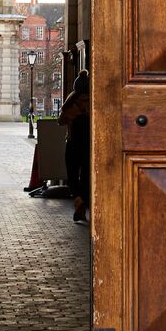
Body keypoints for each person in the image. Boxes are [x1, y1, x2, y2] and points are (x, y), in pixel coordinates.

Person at [59, 70, 91, 224]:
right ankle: (84, 204)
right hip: (89, 145)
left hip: (72, 143)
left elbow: (61, 121)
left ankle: (78, 200)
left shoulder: (71, 101)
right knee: (86, 175)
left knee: (72, 174)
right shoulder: (93, 101)